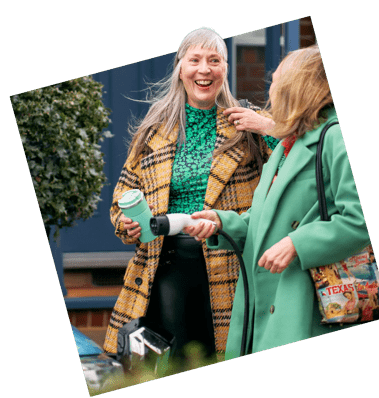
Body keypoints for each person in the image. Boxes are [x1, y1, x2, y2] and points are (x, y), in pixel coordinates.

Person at [103, 27, 277, 366]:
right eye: (194, 60)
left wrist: (267, 127)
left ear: (225, 68)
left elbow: (298, 160)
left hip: (232, 263)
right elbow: (121, 197)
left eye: (215, 60)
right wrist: (127, 224)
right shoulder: (154, 130)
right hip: (165, 266)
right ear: (180, 68)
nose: (204, 69)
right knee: (177, 362)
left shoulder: (248, 123)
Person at [185, 44, 371, 359]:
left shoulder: (337, 137)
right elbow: (265, 219)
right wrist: (222, 223)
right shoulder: (291, 143)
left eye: (277, 80)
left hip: (307, 309)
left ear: (299, 87)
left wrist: (298, 243)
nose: (271, 88)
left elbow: (361, 220)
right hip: (263, 304)